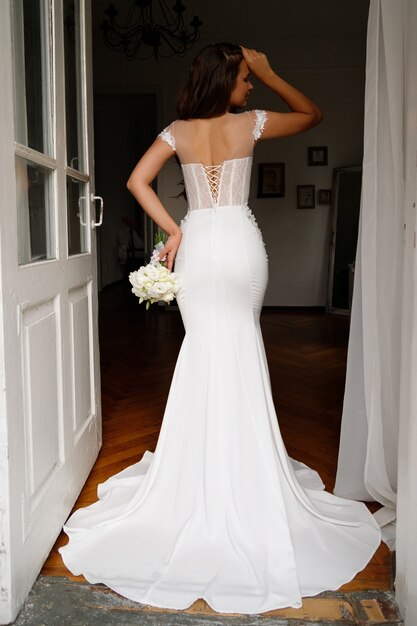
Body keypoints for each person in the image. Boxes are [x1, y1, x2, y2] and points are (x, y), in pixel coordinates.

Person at [59, 43, 381, 614]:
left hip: (201, 244)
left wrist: (174, 232)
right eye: (245, 77)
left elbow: (137, 181)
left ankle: (199, 467)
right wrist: (273, 71)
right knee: (241, 346)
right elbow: (312, 115)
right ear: (226, 78)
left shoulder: (176, 130)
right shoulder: (249, 123)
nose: (250, 87)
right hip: (240, 244)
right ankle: (245, 465)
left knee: (203, 349)